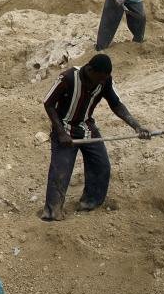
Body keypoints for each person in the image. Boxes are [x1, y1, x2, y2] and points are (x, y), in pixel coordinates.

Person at [41, 54, 151, 221]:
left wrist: (136, 126)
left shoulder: (104, 81)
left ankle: (90, 202)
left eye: (104, 79)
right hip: (64, 128)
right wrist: (61, 132)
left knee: (101, 165)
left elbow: (116, 105)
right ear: (90, 70)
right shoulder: (68, 78)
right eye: (99, 78)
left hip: (86, 127)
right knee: (60, 171)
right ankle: (52, 212)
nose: (101, 82)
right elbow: (48, 103)